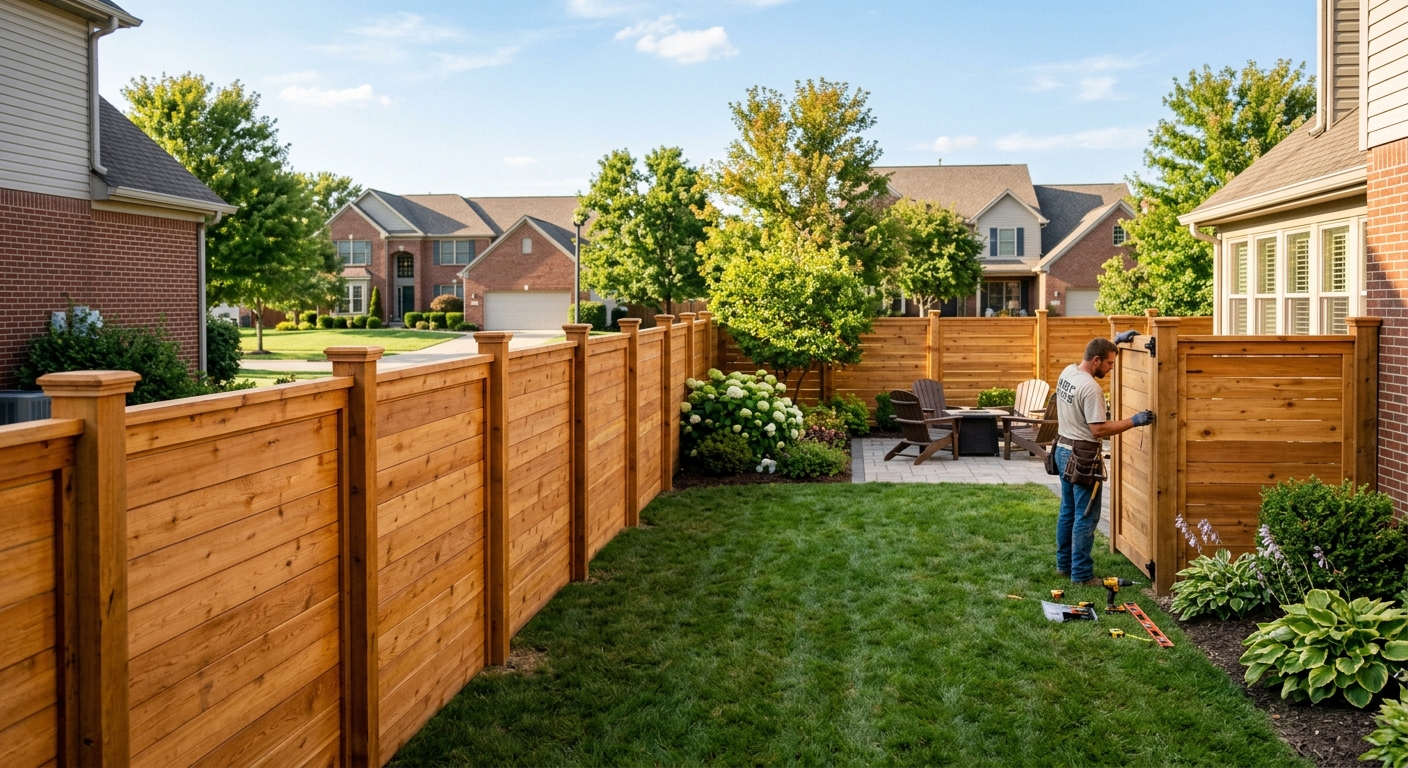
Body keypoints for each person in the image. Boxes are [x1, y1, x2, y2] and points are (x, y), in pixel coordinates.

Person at [1054, 337, 1153, 586]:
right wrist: (1135, 420)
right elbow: (1098, 430)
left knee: (1068, 511)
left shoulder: (1068, 372)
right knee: (1086, 516)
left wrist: (1115, 341)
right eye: (1109, 363)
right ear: (1096, 360)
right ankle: (1082, 575)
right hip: (1082, 458)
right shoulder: (1091, 389)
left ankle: (1063, 566)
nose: (1111, 369)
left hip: (1062, 450)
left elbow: (1094, 347)